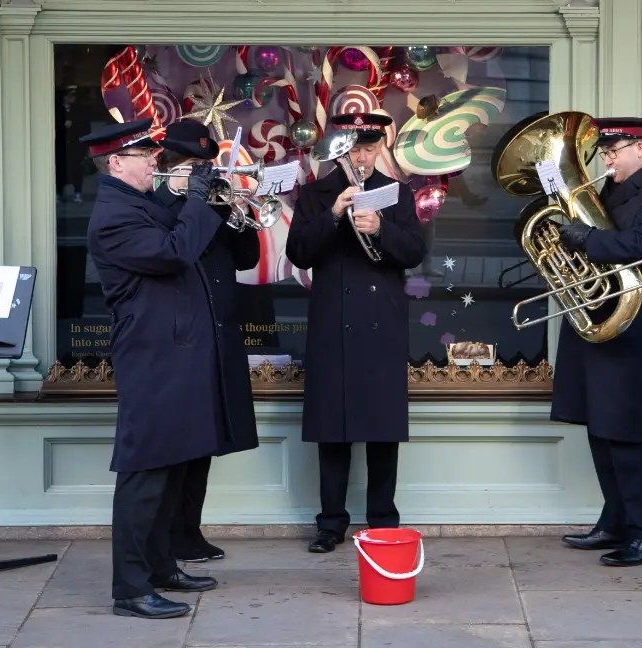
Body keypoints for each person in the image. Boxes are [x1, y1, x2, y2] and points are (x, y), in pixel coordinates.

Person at [83, 119, 229, 619]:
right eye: (146, 155)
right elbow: (176, 252)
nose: (155, 162)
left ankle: (163, 566)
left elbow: (183, 231)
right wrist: (198, 198)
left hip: (175, 356)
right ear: (116, 163)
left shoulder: (141, 204)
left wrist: (207, 195)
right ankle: (130, 587)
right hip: (151, 360)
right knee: (144, 473)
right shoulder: (113, 217)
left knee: (173, 468)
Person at [285, 112, 427, 554]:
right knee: (334, 427)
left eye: (368, 149)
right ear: (339, 149)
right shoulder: (315, 194)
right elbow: (299, 254)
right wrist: (333, 215)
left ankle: (383, 520)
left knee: (382, 428)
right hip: (333, 322)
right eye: (353, 150)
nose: (361, 158)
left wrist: (382, 228)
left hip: (381, 322)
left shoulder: (397, 194)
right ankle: (331, 522)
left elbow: (415, 253)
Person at [550, 117, 642, 567]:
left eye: (614, 150)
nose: (606, 159)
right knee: (602, 427)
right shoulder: (613, 187)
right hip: (600, 316)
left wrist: (590, 240)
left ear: (640, 149)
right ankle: (614, 520)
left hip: (633, 323)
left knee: (628, 431)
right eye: (604, 152)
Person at [153, 120, 261, 564]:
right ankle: (169, 534)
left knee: (206, 441)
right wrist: (195, 200)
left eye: (205, 165)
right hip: (182, 339)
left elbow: (248, 259)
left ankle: (190, 530)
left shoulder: (213, 201)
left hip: (220, 331)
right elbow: (172, 253)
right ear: (171, 165)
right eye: (193, 165)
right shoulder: (155, 205)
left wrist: (235, 209)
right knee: (180, 444)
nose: (202, 173)